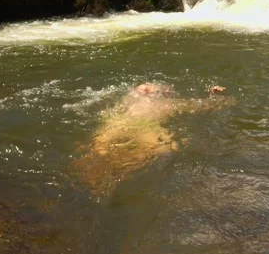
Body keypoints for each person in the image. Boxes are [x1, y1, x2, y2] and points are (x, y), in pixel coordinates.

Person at [72, 81, 235, 196]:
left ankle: (116, 172)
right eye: (145, 87)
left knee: (165, 148)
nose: (146, 88)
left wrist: (212, 94)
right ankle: (99, 173)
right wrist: (213, 97)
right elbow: (204, 105)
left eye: (152, 87)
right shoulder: (141, 100)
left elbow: (204, 105)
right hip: (126, 123)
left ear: (164, 94)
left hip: (140, 126)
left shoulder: (167, 103)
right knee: (101, 146)